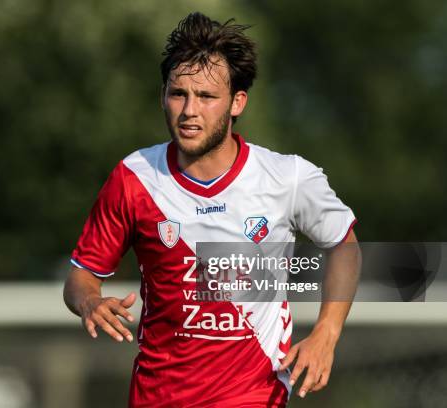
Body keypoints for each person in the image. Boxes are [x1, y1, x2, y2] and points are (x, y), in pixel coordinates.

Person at [64, 11, 361, 407]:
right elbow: (81, 276)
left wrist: (326, 334)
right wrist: (90, 302)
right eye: (178, 93)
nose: (189, 110)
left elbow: (345, 247)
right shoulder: (133, 177)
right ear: (163, 96)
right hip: (157, 397)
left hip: (254, 396)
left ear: (237, 102)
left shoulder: (287, 177)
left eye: (206, 97)